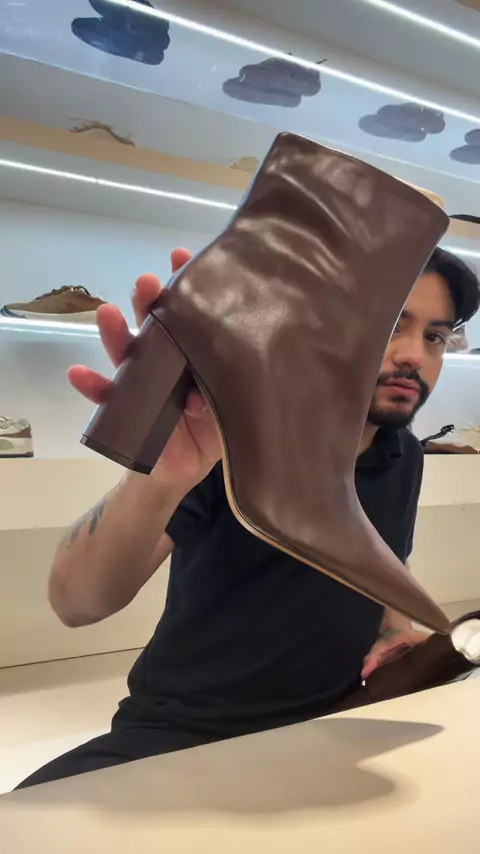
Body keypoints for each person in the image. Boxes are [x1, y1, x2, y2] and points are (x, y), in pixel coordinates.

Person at [19, 246, 480, 788]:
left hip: (334, 724)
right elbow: (76, 602)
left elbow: (381, 564)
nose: (413, 356)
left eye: (434, 336)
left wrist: (394, 632)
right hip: (183, 732)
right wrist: (161, 478)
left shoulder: (403, 455)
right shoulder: (231, 441)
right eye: (389, 326)